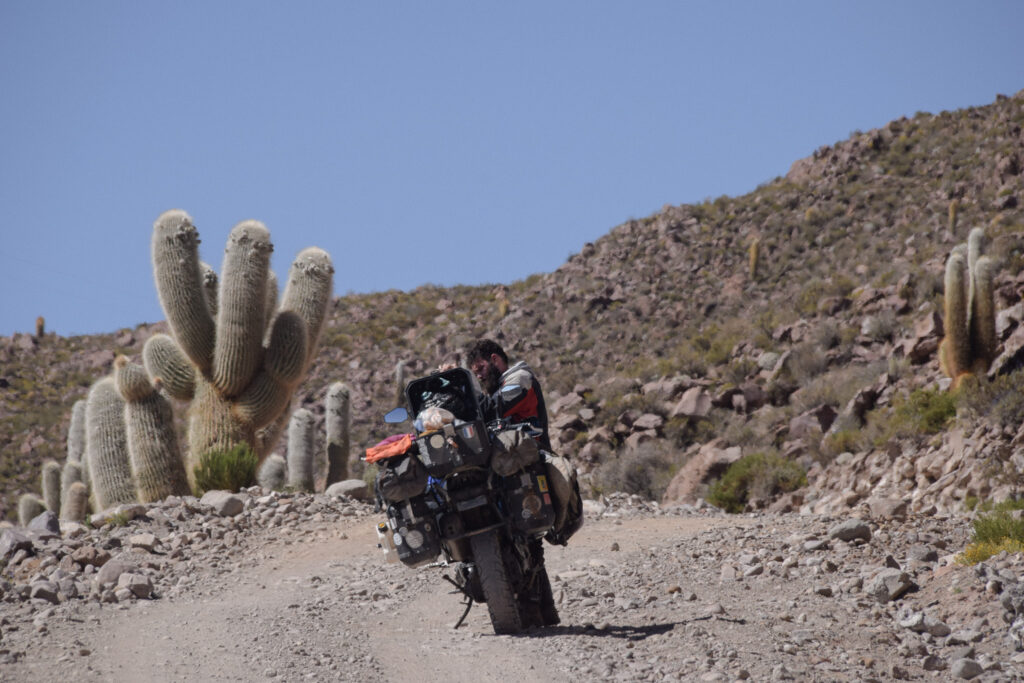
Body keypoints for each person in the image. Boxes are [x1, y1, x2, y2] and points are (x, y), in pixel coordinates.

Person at [465, 339, 551, 450]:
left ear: (494, 359)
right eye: (476, 374)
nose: (479, 377)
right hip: (514, 458)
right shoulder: (498, 388)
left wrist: (461, 386)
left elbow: (491, 410)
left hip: (534, 457)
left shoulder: (521, 378)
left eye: (481, 369)